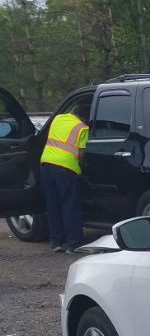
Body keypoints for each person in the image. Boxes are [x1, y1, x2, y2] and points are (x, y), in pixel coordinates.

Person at [40, 104, 90, 253]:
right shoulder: (83, 128)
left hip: (46, 164)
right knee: (69, 205)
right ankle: (73, 243)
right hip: (65, 168)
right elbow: (81, 155)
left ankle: (56, 241)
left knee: (52, 204)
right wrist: (82, 169)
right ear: (85, 117)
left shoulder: (58, 118)